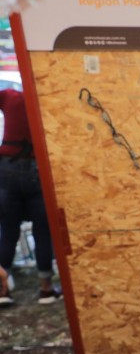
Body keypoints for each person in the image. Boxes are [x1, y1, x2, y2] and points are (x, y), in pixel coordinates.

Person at [0, 88, 61, 306]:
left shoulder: (8, 95)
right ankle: (46, 290)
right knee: (42, 231)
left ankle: (2, 290)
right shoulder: (46, 97)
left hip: (8, 167)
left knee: (8, 230)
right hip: (37, 167)